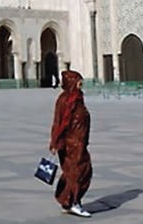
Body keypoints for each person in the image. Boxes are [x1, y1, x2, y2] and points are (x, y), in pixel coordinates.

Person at [49, 70, 92, 218]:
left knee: (73, 172)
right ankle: (74, 202)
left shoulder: (77, 97)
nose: (81, 83)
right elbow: (58, 122)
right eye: (78, 80)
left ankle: (66, 201)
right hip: (70, 144)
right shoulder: (64, 100)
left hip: (79, 142)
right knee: (78, 172)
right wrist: (55, 142)